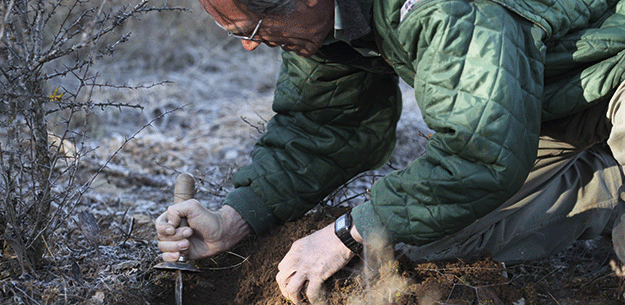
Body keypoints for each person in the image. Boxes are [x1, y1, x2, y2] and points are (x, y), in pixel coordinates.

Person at [155, 0, 625, 303]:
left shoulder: (441, 8)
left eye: (255, 26)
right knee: (421, 238)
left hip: (614, 74)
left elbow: (477, 153)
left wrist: (345, 233)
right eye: (233, 30)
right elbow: (326, 126)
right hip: (543, 110)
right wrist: (234, 220)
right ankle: (612, 186)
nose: (249, 45)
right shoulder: (326, 24)